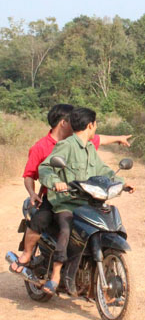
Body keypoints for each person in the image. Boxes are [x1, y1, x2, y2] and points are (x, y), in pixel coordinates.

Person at [7, 104, 132, 280]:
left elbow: (101, 164)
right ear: (64, 123)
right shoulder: (45, 146)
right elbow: (35, 172)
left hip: (83, 199)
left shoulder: (86, 145)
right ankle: (32, 258)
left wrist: (122, 183)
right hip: (57, 198)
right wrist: (37, 191)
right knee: (44, 221)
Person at [38, 107, 135, 295]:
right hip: (66, 201)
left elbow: (103, 171)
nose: (95, 128)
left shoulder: (90, 148)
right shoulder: (66, 146)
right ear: (90, 125)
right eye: (95, 125)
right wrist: (56, 182)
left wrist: (122, 183)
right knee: (67, 227)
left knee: (103, 222)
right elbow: (45, 168)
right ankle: (56, 275)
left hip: (86, 201)